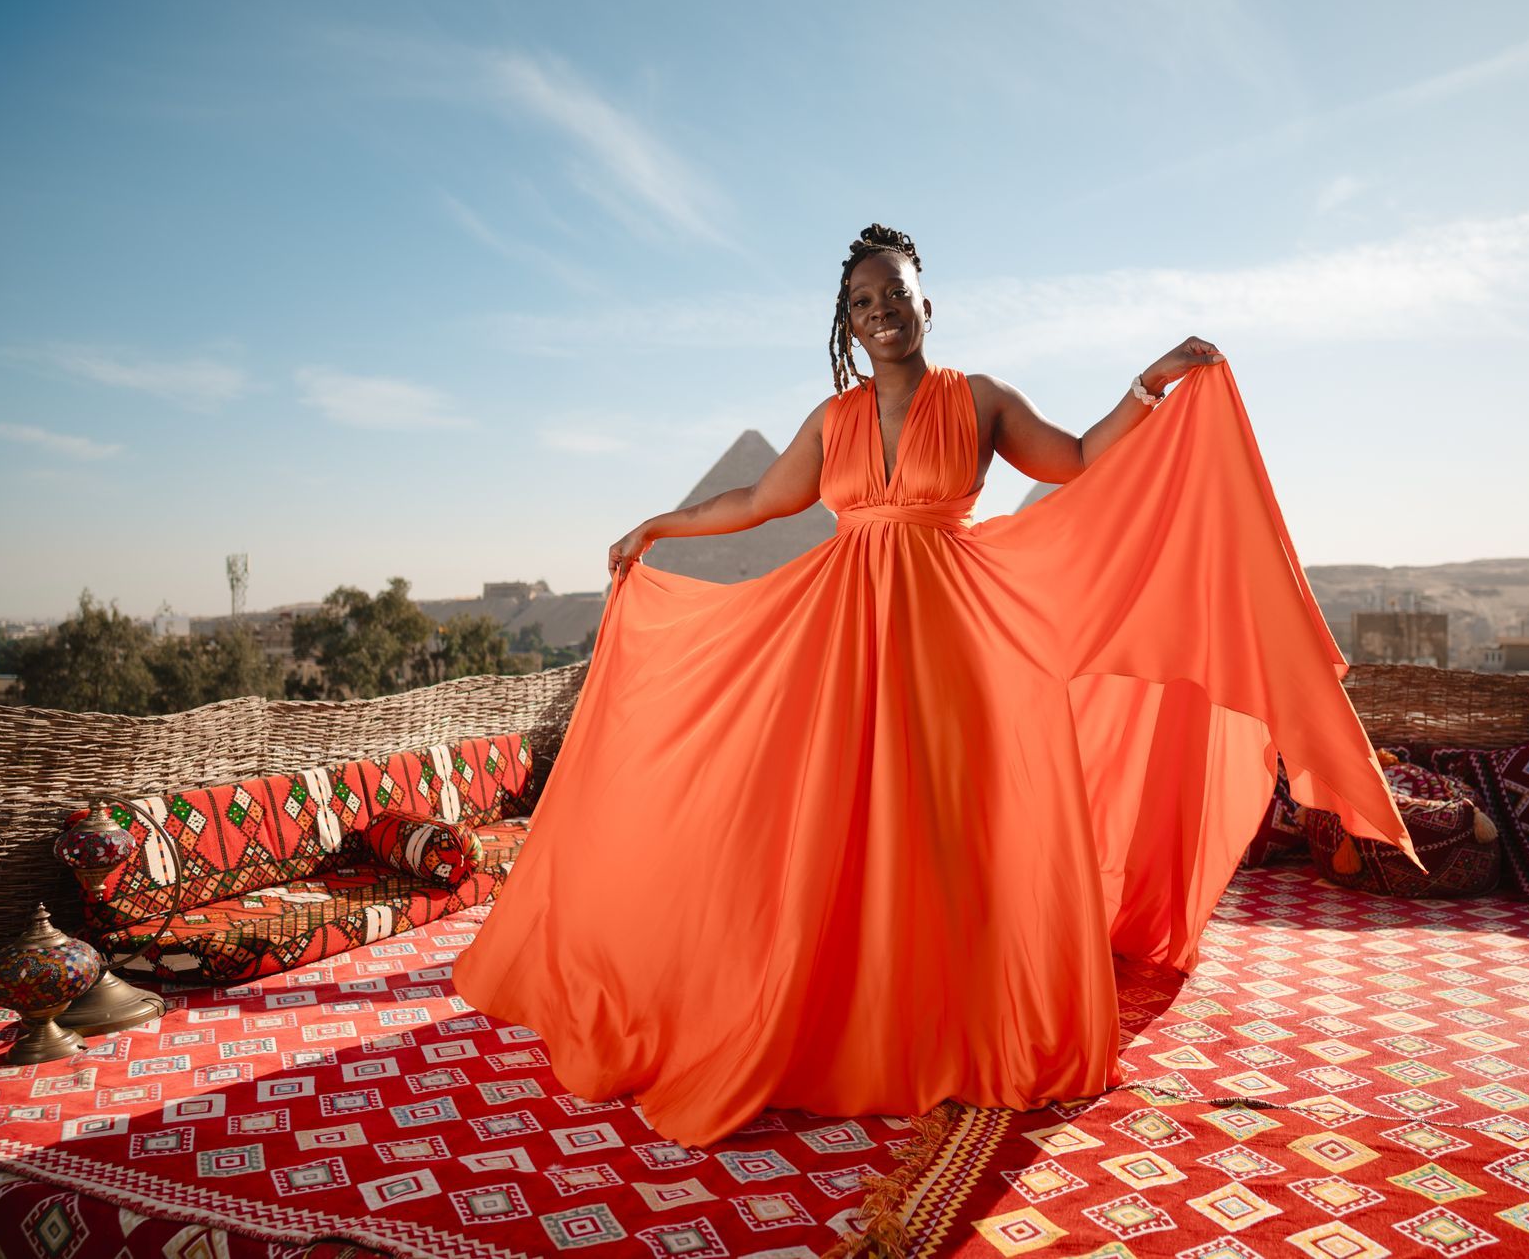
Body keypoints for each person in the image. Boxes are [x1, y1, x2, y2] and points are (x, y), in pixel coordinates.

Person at [451, 224, 1412, 1151]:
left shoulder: (982, 399)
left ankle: (960, 1011)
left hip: (956, 635)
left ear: (926, 303)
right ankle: (839, 1011)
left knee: (954, 818)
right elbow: (754, 503)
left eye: (895, 296)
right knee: (837, 817)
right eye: (862, 303)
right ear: (848, 319)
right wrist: (657, 525)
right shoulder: (831, 421)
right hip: (839, 636)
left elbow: (1073, 462)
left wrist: (1147, 385)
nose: (881, 313)